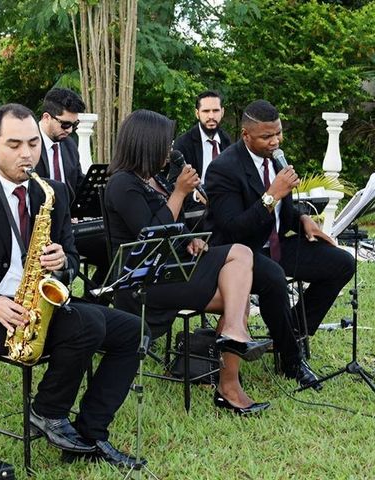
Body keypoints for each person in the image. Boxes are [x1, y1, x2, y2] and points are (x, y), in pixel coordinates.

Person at [0, 103, 142, 466]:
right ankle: (47, 410)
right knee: (88, 322)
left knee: (132, 331)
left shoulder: (53, 192)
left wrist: (63, 263)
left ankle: (90, 433)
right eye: (14, 145)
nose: (26, 154)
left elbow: (73, 261)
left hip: (44, 307)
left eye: (32, 144)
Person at [105, 109, 273, 415]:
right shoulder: (121, 184)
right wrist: (180, 192)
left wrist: (190, 240)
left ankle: (231, 363)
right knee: (239, 279)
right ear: (147, 144)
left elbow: (174, 228)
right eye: (165, 145)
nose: (170, 151)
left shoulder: (154, 179)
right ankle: (230, 373)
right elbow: (149, 234)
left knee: (238, 280)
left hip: (175, 268)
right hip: (144, 282)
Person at [205, 99, 355, 389]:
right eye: (266, 136)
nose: (274, 141)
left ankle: (291, 333)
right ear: (246, 135)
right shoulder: (223, 168)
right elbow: (233, 228)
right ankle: (292, 360)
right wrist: (272, 194)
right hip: (240, 255)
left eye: (278, 133)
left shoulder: (276, 160)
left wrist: (302, 220)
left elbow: (284, 215)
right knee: (273, 277)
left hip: (274, 246)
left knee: (341, 262)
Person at [37, 87, 109, 298]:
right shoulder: (29, 145)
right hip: (40, 229)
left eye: (74, 125)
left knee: (115, 249)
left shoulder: (69, 145)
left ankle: (94, 301)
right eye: (65, 124)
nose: (70, 130)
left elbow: (78, 185)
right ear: (47, 117)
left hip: (69, 228)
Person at [170, 90, 232, 182]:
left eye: (215, 111)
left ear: (222, 112)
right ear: (197, 113)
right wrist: (196, 195)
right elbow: (174, 181)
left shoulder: (226, 140)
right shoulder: (184, 143)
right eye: (206, 111)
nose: (211, 116)